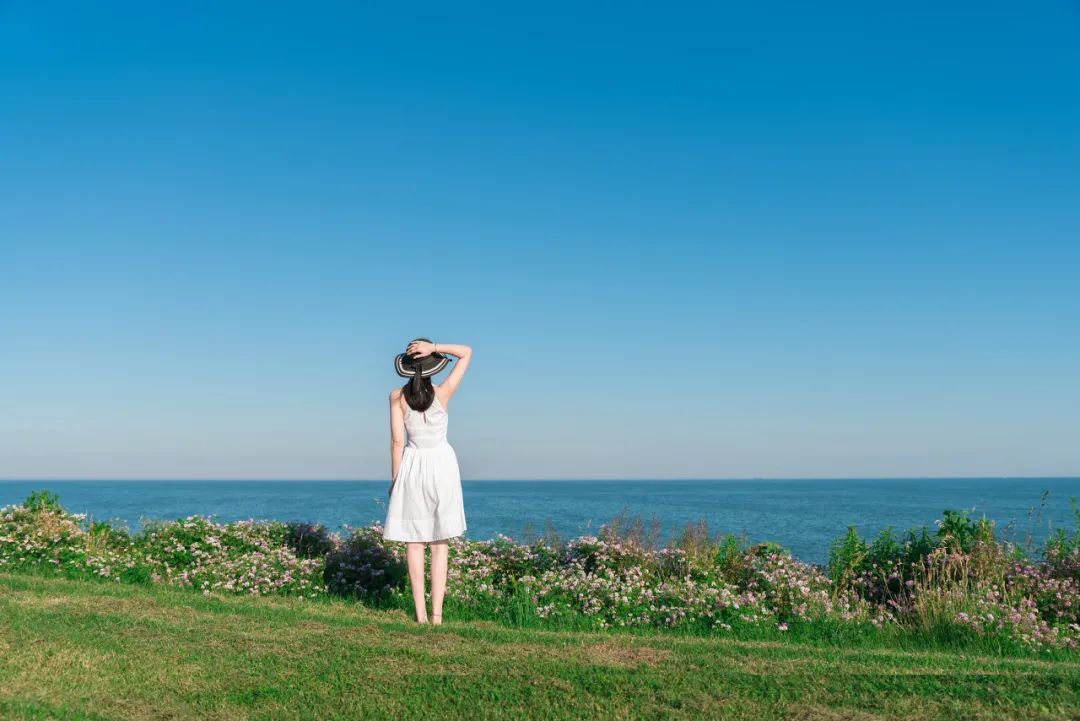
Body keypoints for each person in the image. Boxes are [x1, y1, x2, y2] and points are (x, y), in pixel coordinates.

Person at [383, 338, 472, 625]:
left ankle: (420, 615)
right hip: (442, 465)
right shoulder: (443, 392)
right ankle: (437, 616)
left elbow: (397, 441)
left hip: (413, 464)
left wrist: (396, 480)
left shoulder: (396, 396)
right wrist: (435, 347)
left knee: (414, 542)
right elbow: (467, 353)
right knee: (439, 543)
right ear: (432, 366)